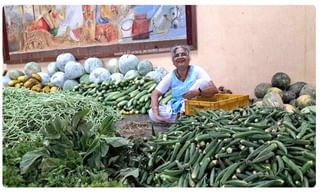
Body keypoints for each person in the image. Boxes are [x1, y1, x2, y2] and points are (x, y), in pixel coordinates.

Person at [149, 45, 219, 123]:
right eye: (176, 56)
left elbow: (214, 89)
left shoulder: (197, 70)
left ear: (189, 59)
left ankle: (183, 114)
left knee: (202, 82)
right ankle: (181, 117)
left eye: (183, 54)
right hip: (177, 108)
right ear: (173, 61)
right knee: (152, 113)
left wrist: (198, 92)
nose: (180, 57)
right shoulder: (171, 76)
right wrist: (157, 115)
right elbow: (155, 94)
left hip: (195, 106)